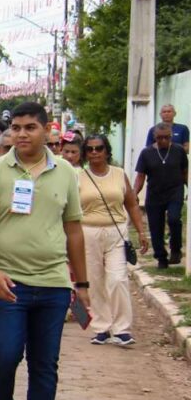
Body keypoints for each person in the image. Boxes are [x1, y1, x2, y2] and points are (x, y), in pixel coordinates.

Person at [0, 102, 90, 400]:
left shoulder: (65, 172)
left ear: (46, 130)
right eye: (16, 128)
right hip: (6, 282)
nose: (21, 134)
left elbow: (73, 229)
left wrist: (81, 284)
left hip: (53, 283)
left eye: (29, 128)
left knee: (44, 363)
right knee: (6, 353)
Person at [79, 135, 149, 346]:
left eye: (99, 148)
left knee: (117, 279)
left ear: (106, 151)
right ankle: (102, 327)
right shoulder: (79, 177)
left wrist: (141, 231)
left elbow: (132, 204)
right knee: (95, 280)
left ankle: (122, 329)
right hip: (88, 231)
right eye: (90, 149)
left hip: (116, 232)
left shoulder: (119, 175)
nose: (94, 153)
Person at [134, 122, 189, 268]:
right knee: (155, 226)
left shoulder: (178, 150)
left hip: (175, 191)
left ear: (171, 136)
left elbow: (185, 172)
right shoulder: (146, 153)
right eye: (160, 138)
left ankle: (176, 249)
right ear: (154, 137)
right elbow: (141, 176)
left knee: (174, 218)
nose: (163, 140)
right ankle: (161, 258)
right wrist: (134, 193)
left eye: (166, 137)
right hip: (155, 194)